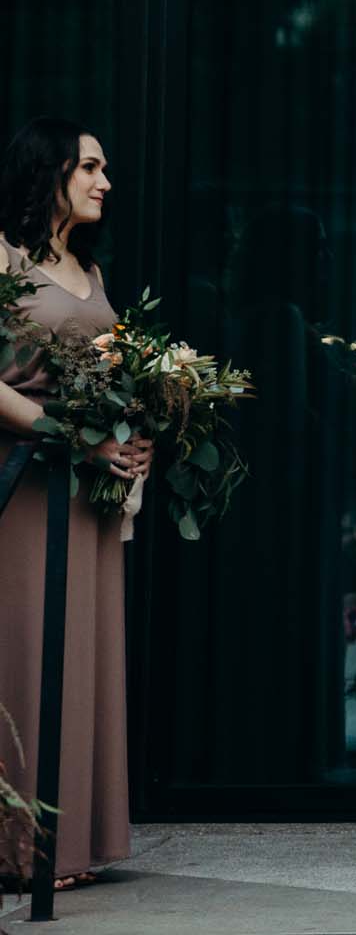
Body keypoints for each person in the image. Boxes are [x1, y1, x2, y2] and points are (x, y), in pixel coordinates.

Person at [0, 118, 145, 889]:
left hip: (85, 490)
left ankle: (68, 841)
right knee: (25, 646)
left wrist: (137, 434)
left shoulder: (85, 268)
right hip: (24, 480)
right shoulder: (4, 255)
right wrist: (67, 434)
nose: (104, 181)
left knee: (77, 650)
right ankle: (17, 848)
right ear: (47, 170)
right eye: (90, 166)